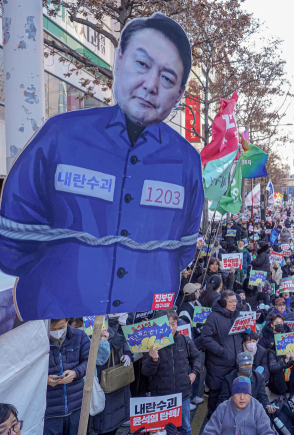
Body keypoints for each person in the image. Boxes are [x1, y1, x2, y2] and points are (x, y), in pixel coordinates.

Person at [0, 13, 204, 320]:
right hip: (52, 319)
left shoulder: (186, 161)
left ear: (178, 94)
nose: (150, 85)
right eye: (142, 64)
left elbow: (184, 247)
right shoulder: (60, 136)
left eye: (167, 78)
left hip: (143, 323)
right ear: (118, 61)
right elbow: (13, 241)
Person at [141, 310, 202, 435]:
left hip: (183, 394)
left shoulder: (185, 340)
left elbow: (197, 357)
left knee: (185, 427)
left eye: (173, 323)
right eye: (167, 324)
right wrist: (153, 359)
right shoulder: (150, 344)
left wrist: (194, 372)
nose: (171, 327)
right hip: (161, 397)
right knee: (162, 430)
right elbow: (146, 371)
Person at [201, 290, 244, 417]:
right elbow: (205, 338)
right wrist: (222, 351)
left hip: (234, 363)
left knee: (230, 393)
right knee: (216, 395)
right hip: (218, 365)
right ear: (222, 301)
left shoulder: (236, 315)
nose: (234, 304)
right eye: (231, 301)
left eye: (235, 301)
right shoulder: (213, 316)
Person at [45, 318, 90, 435]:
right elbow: (29, 371)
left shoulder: (79, 336)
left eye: (61, 328)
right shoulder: (37, 340)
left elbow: (89, 361)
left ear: (67, 321)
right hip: (49, 411)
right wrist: (44, 380)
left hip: (76, 405)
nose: (57, 332)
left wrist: (76, 373)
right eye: (53, 329)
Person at [202, 377, 275, 435]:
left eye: (246, 394)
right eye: (238, 394)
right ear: (232, 394)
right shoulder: (223, 408)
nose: (242, 398)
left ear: (250, 395)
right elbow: (209, 431)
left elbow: (267, 432)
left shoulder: (257, 408)